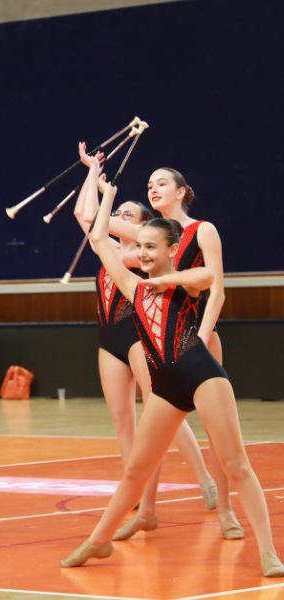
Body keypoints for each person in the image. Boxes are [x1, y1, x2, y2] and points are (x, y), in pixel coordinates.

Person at [59, 174, 284, 577]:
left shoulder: (182, 285)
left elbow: (207, 278)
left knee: (236, 464)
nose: (142, 254)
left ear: (171, 249)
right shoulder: (132, 284)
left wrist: (161, 281)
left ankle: (269, 552)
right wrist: (107, 193)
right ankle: (97, 541)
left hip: (202, 375)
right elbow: (96, 238)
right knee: (134, 471)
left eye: (150, 247)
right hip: (165, 387)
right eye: (139, 247)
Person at [73, 145, 218, 540]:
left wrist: (203, 334)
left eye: (126, 217)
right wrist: (94, 173)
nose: (119, 219)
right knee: (129, 422)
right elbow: (86, 217)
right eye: (117, 216)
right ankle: (141, 502)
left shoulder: (143, 253)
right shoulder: (114, 253)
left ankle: (206, 479)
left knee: (165, 410)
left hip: (150, 334)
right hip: (110, 340)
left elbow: (212, 283)